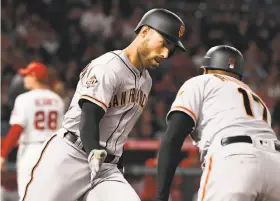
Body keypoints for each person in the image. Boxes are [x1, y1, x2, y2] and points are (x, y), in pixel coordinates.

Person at [20, 8, 186, 201]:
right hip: (71, 156)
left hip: (107, 168)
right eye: (164, 43)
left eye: (171, 49)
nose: (166, 53)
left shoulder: (146, 81)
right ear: (145, 32)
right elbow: (89, 116)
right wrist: (92, 152)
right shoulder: (108, 66)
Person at [156, 45, 280, 201]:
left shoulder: (201, 82)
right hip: (276, 164)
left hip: (235, 158)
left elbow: (173, 137)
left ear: (206, 69)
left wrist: (161, 197)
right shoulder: (257, 100)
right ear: (239, 75)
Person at [0, 62, 65, 199]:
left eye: (27, 75)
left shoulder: (25, 99)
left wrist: (3, 154)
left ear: (34, 76)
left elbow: (17, 129)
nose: (24, 78)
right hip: (52, 152)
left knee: (27, 195)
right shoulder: (57, 100)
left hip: (31, 151)